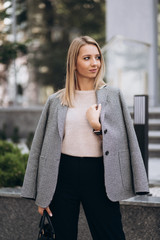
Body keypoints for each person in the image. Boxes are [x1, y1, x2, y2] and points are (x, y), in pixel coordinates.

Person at [21, 36, 149, 240]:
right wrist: (41, 195)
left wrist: (97, 126)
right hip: (62, 176)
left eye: (97, 57)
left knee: (111, 235)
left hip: (100, 175)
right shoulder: (56, 101)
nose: (94, 63)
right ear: (74, 63)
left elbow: (125, 142)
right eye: (87, 58)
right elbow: (40, 148)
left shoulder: (113, 96)